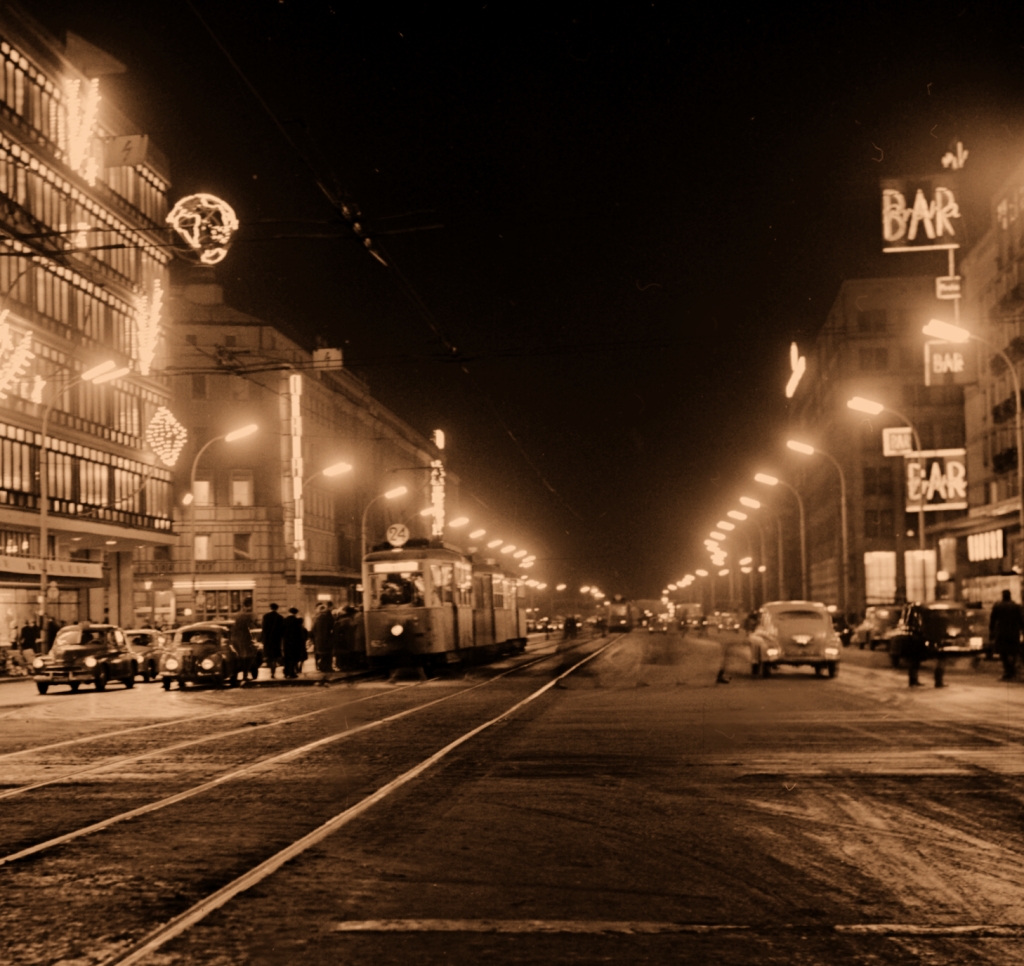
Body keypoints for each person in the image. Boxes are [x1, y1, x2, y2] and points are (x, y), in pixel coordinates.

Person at [990, 589, 1024, 681]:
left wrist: (991, 632)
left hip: (1002, 632)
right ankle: (1011, 670)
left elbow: (992, 620)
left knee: (1003, 652)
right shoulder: (1016, 606)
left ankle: (1008, 671)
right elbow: (1020, 620)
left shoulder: (997, 606)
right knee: (1014, 651)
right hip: (1013, 632)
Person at [261, 603, 285, 679]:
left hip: (268, 639)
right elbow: (282, 630)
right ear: (277, 608)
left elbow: (264, 629)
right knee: (275, 656)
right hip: (276, 639)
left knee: (269, 656)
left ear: (270, 608)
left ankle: (271, 669)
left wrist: (263, 638)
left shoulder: (266, 616)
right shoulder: (280, 617)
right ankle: (273, 670)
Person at [282, 607, 308, 678]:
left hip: (287, 643)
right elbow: (300, 633)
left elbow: (282, 632)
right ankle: (291, 672)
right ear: (296, 613)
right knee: (293, 658)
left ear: (289, 612)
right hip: (295, 643)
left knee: (287, 657)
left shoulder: (285, 620)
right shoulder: (297, 621)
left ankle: (286, 672)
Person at [332, 606, 357, 671]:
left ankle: (343, 666)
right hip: (347, 639)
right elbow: (353, 626)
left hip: (342, 639)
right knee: (347, 653)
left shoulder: (341, 620)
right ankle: (346, 666)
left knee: (342, 653)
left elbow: (337, 630)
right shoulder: (349, 619)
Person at [312, 602, 335, 672]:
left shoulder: (316, 618)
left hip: (318, 640)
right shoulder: (326, 618)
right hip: (326, 639)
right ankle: (327, 668)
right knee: (327, 655)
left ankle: (322, 667)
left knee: (322, 655)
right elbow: (332, 627)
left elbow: (313, 629)